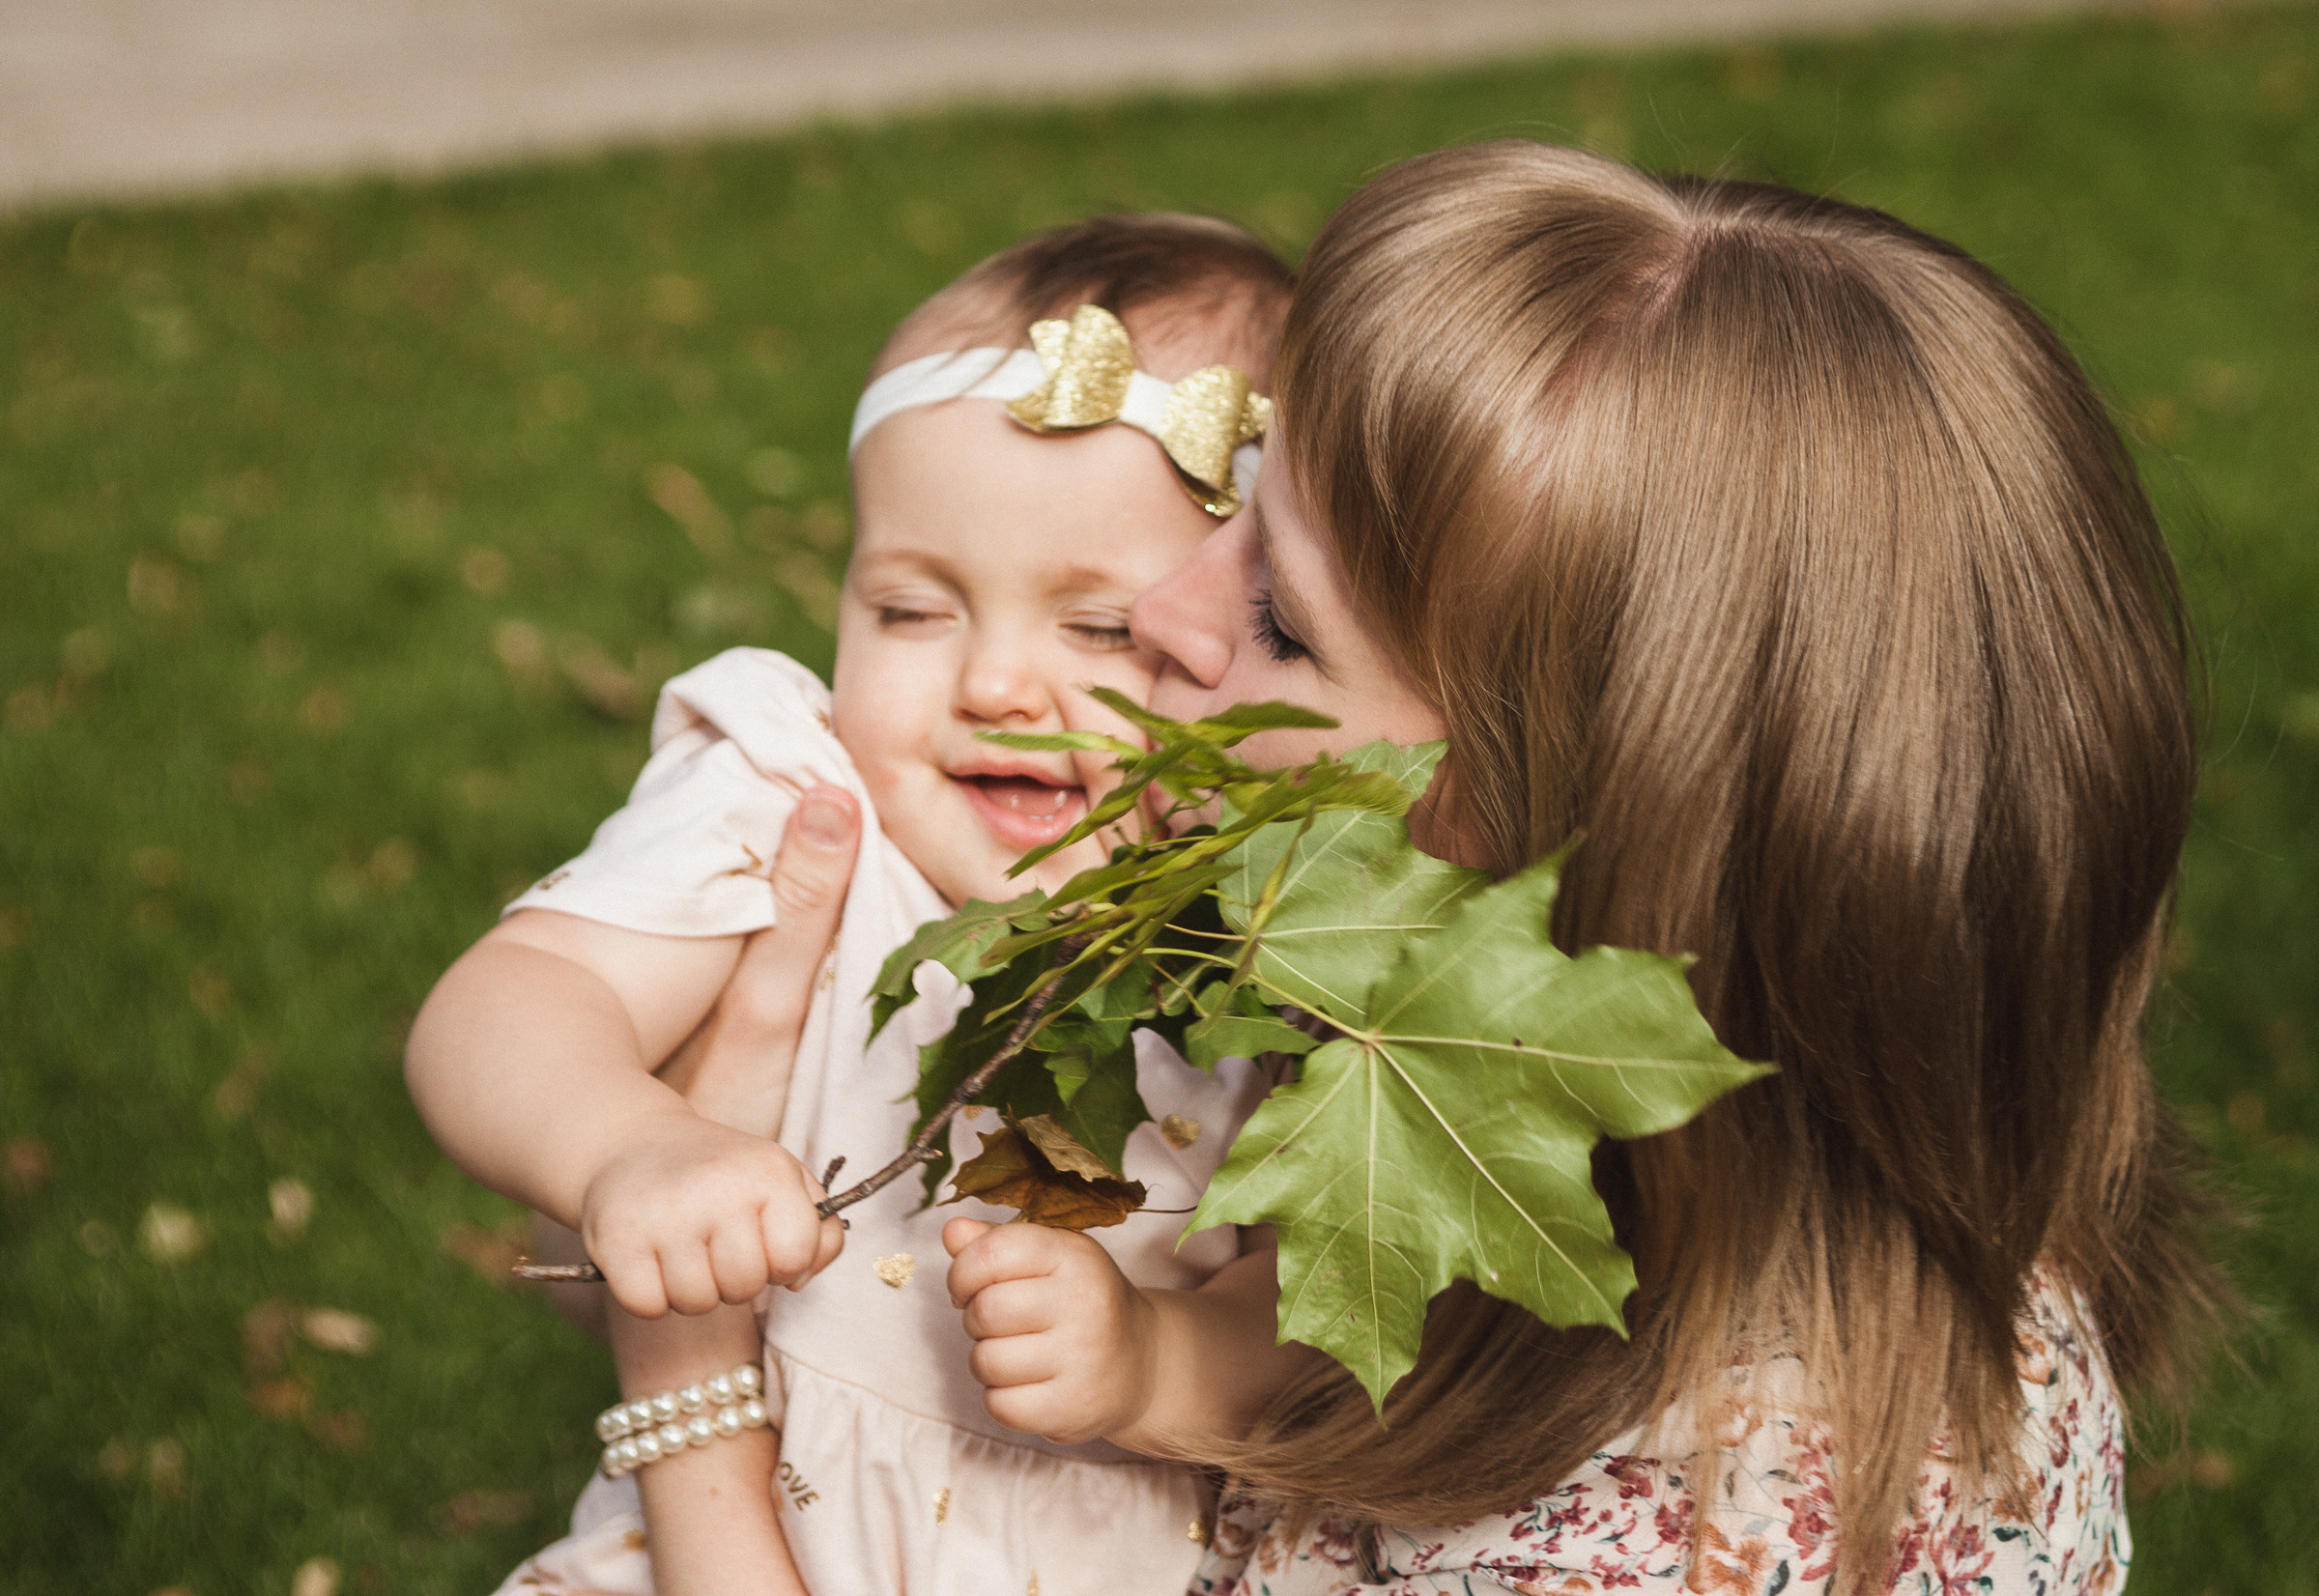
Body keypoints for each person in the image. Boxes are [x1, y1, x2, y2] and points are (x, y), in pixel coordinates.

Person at [731, 143, 2221, 1592]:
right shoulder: (1697, 1236)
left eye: (1284, 619)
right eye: (1238, 508)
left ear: (1564, 868)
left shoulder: (1619, 1545)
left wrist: (689, 1388)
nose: (1162, 611)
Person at [403, 214, 1296, 1596]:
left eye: (1099, 628)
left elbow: (1327, 1309)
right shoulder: (794, 799)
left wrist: (1153, 1358)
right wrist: (629, 1143)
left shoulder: (1268, 925)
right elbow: (509, 1003)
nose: (993, 684)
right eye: (913, 611)